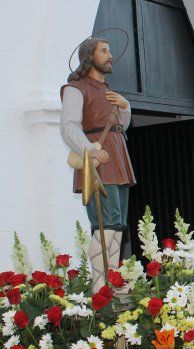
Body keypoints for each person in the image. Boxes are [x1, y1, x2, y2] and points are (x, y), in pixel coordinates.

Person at [60, 38, 136, 293]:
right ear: (89, 57)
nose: (110, 55)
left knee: (117, 226)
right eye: (103, 51)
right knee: (104, 226)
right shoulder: (76, 88)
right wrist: (91, 149)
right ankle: (99, 286)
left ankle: (111, 282)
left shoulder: (108, 90)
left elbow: (120, 126)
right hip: (98, 160)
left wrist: (124, 107)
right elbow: (69, 126)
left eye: (109, 50)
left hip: (118, 158)